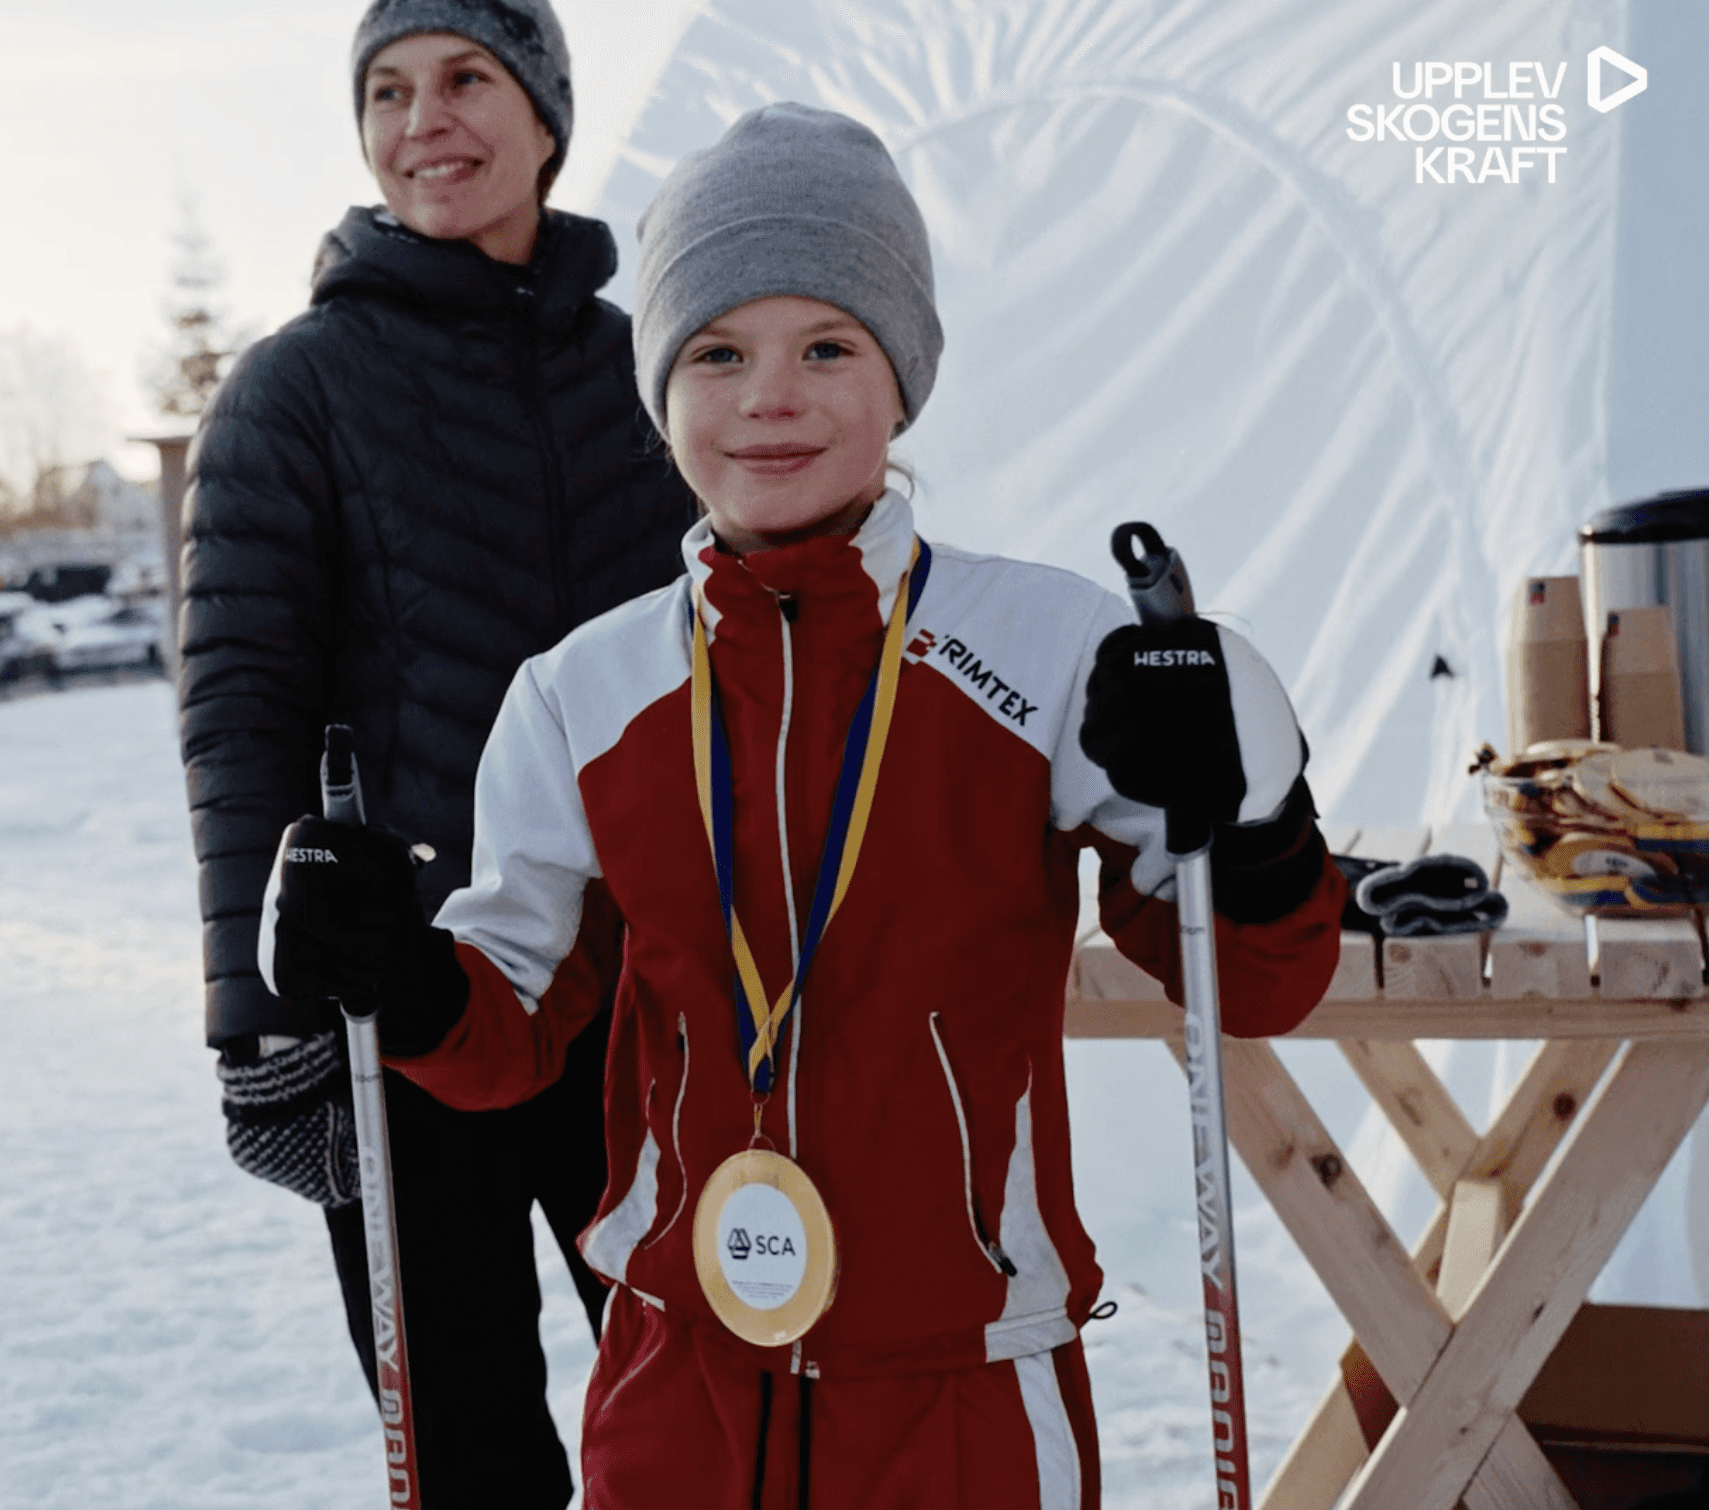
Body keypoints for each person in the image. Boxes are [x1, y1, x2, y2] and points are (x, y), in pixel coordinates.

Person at [259, 104, 1345, 1508]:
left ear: (903, 379)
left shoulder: (1044, 648)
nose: (770, 395)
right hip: (679, 1376)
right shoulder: (583, 693)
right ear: (661, 394)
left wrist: (1252, 810)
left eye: (828, 344)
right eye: (717, 352)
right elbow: (509, 1025)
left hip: (963, 1383)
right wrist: (395, 979)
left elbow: (1251, 976)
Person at [177, 0, 695, 1503]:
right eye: (388, 92)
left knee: (712, 1396)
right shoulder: (298, 389)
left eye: (468, 78)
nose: (425, 122)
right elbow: (239, 702)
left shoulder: (649, 369)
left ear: (546, 115)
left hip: (642, 1004)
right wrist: (263, 1016)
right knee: (469, 1443)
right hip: (410, 1004)